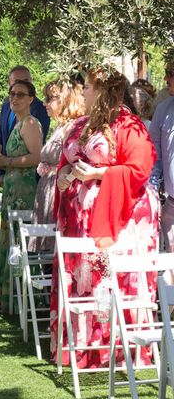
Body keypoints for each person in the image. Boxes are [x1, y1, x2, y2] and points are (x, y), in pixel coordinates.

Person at [50, 66, 159, 368]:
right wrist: (65, 177)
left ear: (101, 91)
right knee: (83, 282)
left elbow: (140, 169)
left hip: (120, 220)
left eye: (86, 86)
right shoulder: (80, 125)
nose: (82, 91)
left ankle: (119, 349)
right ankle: (83, 348)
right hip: (78, 220)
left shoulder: (129, 125)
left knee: (114, 279)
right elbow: (66, 161)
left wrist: (100, 173)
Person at [0, 80, 43, 313]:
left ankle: (27, 298)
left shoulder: (31, 123)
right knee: (10, 240)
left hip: (24, 191)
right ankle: (12, 298)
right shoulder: (17, 122)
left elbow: (36, 158)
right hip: (12, 190)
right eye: (12, 94)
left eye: (20, 95)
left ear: (31, 99)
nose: (14, 98)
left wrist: (7, 161)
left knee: (20, 241)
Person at [28, 79, 85, 254]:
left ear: (66, 100)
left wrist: (52, 170)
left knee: (55, 250)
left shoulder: (72, 127)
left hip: (57, 192)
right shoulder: (60, 126)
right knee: (46, 253)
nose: (45, 103)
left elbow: (73, 162)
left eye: (50, 98)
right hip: (47, 191)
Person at [0, 65, 49, 184]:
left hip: (28, 181)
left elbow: (36, 153)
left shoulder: (41, 110)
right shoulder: (6, 107)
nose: (21, 85)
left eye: (26, 81)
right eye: (17, 82)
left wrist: (7, 162)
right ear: (9, 84)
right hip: (8, 179)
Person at [149, 71, 174, 250]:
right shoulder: (163, 110)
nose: (166, 79)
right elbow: (154, 157)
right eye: (165, 73)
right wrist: (152, 191)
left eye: (171, 74)